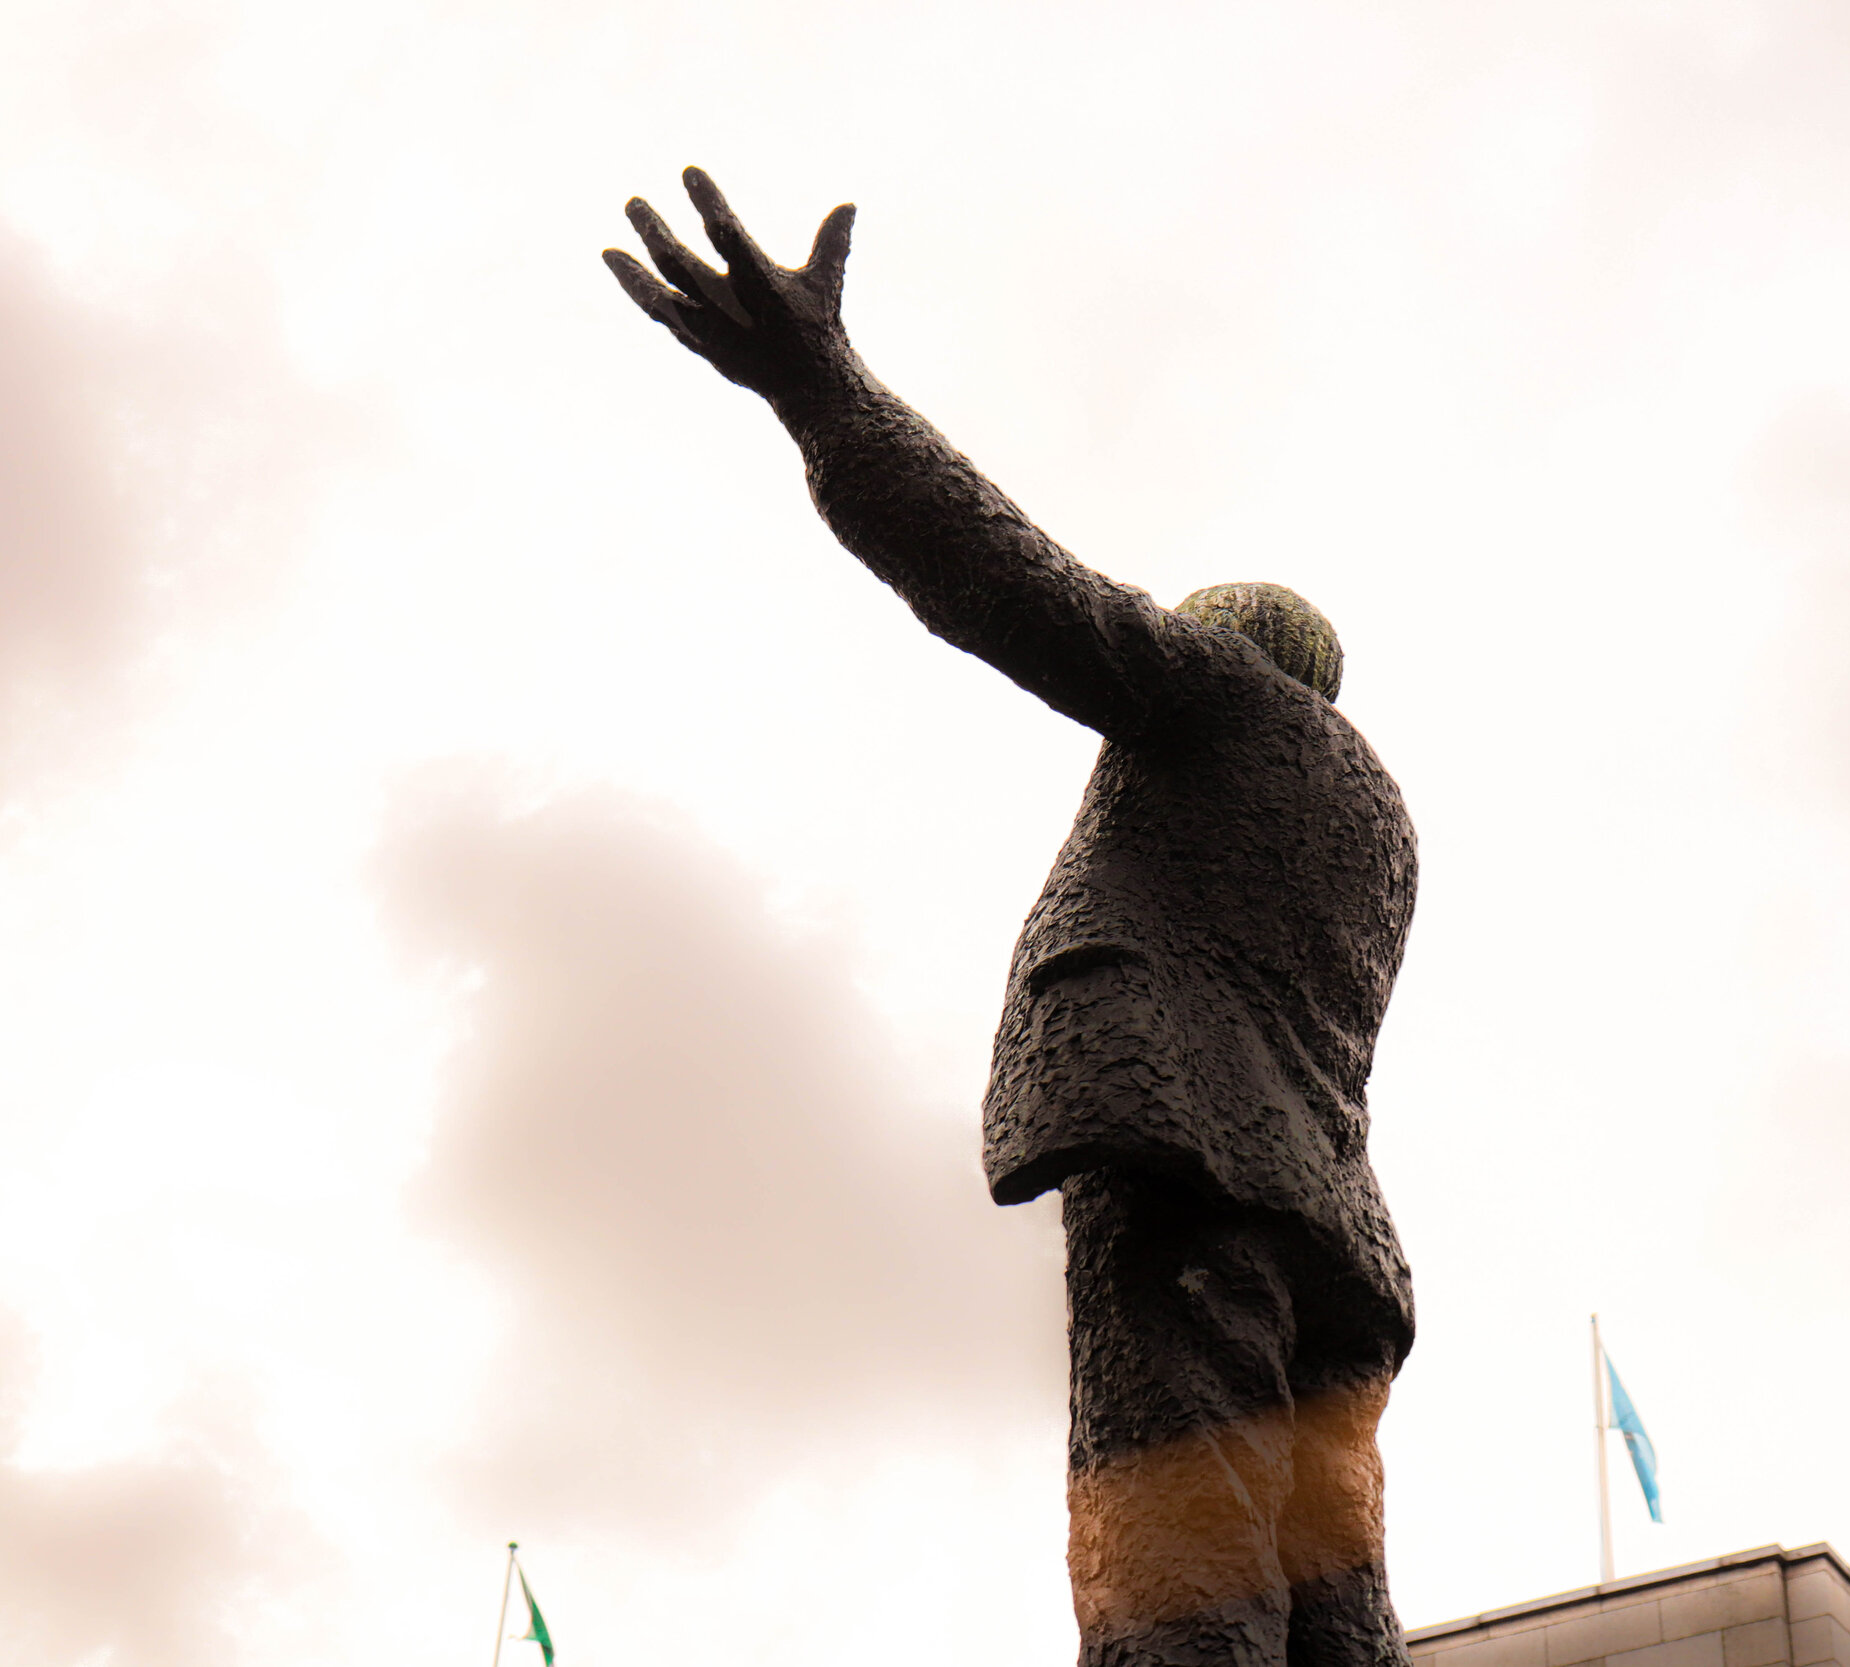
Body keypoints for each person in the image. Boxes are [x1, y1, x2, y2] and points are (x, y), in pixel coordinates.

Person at [605, 171, 1419, 1667]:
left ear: (1225, 652)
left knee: (1177, 1547)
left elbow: (1019, 586)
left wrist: (822, 393)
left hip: (1189, 1158)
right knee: (1334, 1607)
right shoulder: (1378, 820)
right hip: (1331, 1232)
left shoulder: (1221, 708)